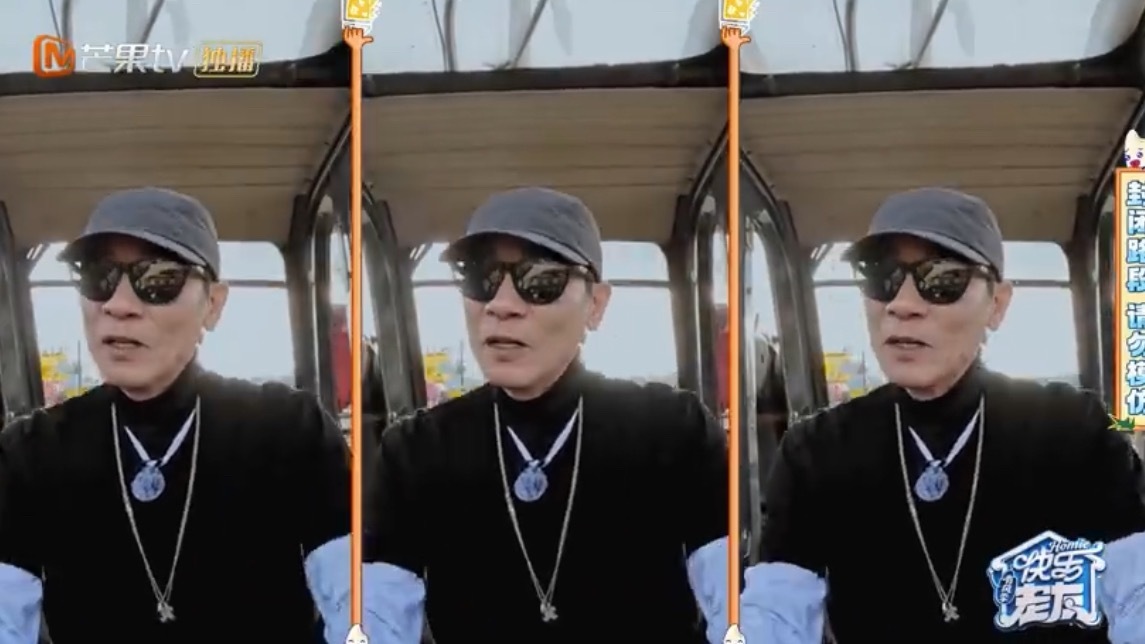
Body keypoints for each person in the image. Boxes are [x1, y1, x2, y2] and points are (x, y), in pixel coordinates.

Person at [741, 188, 1145, 643]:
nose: (902, 304)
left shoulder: (1075, 431)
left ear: (997, 305)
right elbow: (773, 613)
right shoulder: (816, 452)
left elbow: (1137, 590)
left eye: (941, 279)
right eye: (881, 277)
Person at [363, 187, 729, 643]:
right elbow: (377, 619)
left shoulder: (674, 432)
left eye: (539, 280)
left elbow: (736, 609)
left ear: (596, 305)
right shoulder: (415, 452)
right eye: (480, 277)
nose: (501, 305)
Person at [0, 188, 351, 644]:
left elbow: (359, 606)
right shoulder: (30, 452)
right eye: (98, 277)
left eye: (158, 279)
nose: (118, 304)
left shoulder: (290, 429)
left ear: (213, 305)